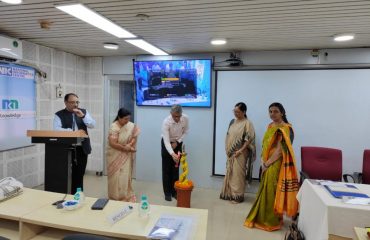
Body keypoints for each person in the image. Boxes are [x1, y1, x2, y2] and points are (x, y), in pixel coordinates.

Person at [244, 102, 299, 231]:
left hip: (276, 164)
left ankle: (271, 220)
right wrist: (263, 161)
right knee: (265, 189)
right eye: (270, 111)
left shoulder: (286, 128)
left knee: (271, 191)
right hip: (267, 162)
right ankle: (262, 217)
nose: (272, 114)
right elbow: (266, 144)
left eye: (275, 111)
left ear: (282, 113)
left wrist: (267, 163)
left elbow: (281, 150)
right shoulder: (270, 126)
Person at [53, 93, 96, 194]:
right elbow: (56, 130)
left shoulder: (83, 112)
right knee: (65, 174)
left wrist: (83, 116)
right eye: (72, 102)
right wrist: (72, 132)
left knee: (79, 174)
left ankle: (78, 195)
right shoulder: (59, 114)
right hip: (66, 149)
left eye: (77, 102)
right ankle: (65, 195)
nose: (75, 104)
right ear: (65, 102)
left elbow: (92, 125)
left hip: (81, 148)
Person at [220, 102, 256, 203]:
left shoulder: (247, 123)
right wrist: (228, 149)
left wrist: (240, 151)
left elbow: (248, 139)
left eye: (238, 112)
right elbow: (228, 136)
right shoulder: (232, 122)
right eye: (234, 111)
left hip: (240, 153)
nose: (235, 113)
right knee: (230, 173)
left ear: (244, 112)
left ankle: (238, 196)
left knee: (238, 175)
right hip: (231, 153)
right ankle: (229, 194)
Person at [106, 108, 140, 202]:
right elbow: (113, 143)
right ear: (119, 118)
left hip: (126, 155)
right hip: (114, 154)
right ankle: (114, 196)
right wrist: (125, 148)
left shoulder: (130, 125)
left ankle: (126, 195)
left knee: (125, 175)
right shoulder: (114, 127)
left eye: (129, 118)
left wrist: (130, 145)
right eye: (125, 119)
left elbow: (134, 135)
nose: (127, 121)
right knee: (116, 176)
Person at [161, 104, 189, 201]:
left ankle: (174, 192)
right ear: (171, 114)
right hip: (167, 144)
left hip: (178, 143)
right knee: (166, 169)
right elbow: (166, 141)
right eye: (174, 116)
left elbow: (186, 131)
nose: (176, 118)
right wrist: (172, 154)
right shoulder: (166, 122)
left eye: (178, 116)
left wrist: (178, 142)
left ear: (181, 114)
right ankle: (167, 193)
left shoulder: (185, 118)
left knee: (175, 169)